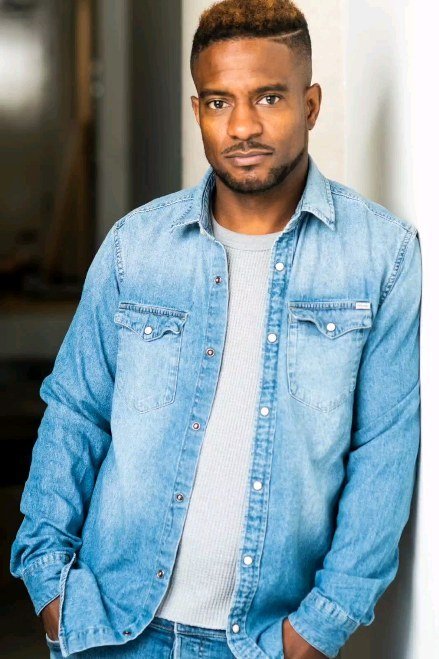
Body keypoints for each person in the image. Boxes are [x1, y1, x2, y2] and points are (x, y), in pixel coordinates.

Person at [10, 0, 422, 657]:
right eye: (219, 102)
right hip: (110, 629)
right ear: (197, 109)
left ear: (311, 105)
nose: (243, 126)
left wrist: (316, 629)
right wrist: (50, 584)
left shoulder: (380, 256)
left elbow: (383, 453)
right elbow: (75, 413)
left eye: (269, 98)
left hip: (262, 641)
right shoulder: (135, 246)